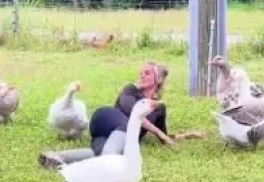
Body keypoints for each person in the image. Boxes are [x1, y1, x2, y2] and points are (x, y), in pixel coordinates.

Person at [38, 61, 203, 169]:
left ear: (158, 80)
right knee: (125, 130)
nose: (141, 75)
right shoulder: (129, 89)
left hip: (118, 139)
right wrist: (162, 136)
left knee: (104, 153)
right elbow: (135, 116)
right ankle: (103, 168)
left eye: (147, 73)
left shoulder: (158, 108)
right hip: (104, 121)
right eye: (140, 72)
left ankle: (58, 157)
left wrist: (185, 135)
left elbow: (163, 136)